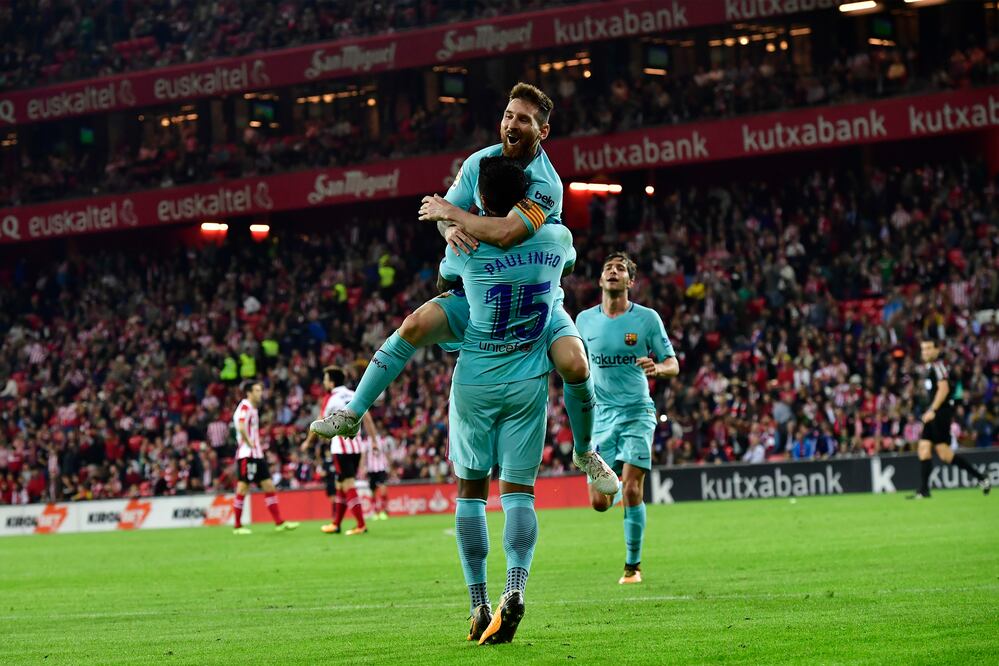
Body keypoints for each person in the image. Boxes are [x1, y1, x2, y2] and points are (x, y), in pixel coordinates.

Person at [311, 82, 616, 495]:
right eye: (508, 115)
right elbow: (442, 220)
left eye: (523, 119)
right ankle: (353, 412)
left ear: (542, 132)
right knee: (415, 324)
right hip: (484, 290)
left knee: (576, 364)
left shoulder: (547, 183)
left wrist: (451, 215)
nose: (511, 124)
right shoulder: (479, 162)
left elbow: (507, 232)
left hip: (535, 297)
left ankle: (585, 452)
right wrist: (448, 229)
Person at [436, 156, 576, 645]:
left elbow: (446, 283)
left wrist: (453, 225)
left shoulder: (465, 247)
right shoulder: (556, 237)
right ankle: (514, 588)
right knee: (518, 492)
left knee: (470, 492)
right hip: (527, 371)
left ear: (479, 198)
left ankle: (477, 603)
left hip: (476, 377)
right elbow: (564, 259)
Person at [576, 252, 679, 585]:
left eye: (621, 269)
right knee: (599, 503)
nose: (613, 272)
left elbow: (672, 363)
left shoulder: (647, 319)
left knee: (633, 488)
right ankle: (612, 484)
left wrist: (658, 368)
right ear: (600, 280)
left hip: (637, 411)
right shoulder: (583, 320)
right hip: (599, 417)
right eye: (608, 268)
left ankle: (632, 567)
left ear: (630, 282)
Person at [909, 339, 990, 499]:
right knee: (924, 449)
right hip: (934, 412)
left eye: (928, 348)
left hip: (940, 413)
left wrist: (933, 409)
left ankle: (981, 478)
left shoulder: (939, 366)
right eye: (923, 349)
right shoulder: (931, 367)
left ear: (936, 349)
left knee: (944, 453)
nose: (925, 352)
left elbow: (944, 389)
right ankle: (924, 490)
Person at [302, 366, 377, 535]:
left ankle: (360, 524)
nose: (324, 382)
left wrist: (308, 442)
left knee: (347, 484)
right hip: (357, 446)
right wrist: (373, 441)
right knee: (340, 485)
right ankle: (336, 524)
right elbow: (368, 419)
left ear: (331, 381)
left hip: (341, 448)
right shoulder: (354, 395)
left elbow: (320, 422)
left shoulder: (331, 398)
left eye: (325, 379)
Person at [232, 380, 299, 534]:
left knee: (269, 486)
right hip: (247, 455)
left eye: (260, 390)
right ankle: (237, 526)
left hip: (257, 455)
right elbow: (241, 426)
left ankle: (279, 522)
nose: (260, 393)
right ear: (249, 392)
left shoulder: (253, 409)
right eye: (257, 390)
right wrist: (249, 442)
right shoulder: (245, 407)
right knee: (242, 488)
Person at [365, 433, 392, 520]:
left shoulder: (382, 440)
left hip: (381, 468)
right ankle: (376, 512)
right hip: (371, 469)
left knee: (383, 490)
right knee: (373, 492)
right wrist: (362, 467)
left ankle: (384, 511)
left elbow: (387, 453)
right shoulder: (366, 441)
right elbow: (363, 454)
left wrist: (390, 465)